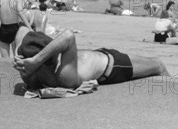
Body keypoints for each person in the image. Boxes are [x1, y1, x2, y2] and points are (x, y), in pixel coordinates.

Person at [12, 27, 169, 89]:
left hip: (101, 54)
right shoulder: (63, 77)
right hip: (114, 66)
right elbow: (68, 36)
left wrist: (18, 56)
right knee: (158, 65)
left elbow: (21, 30)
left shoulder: (28, 76)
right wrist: (36, 60)